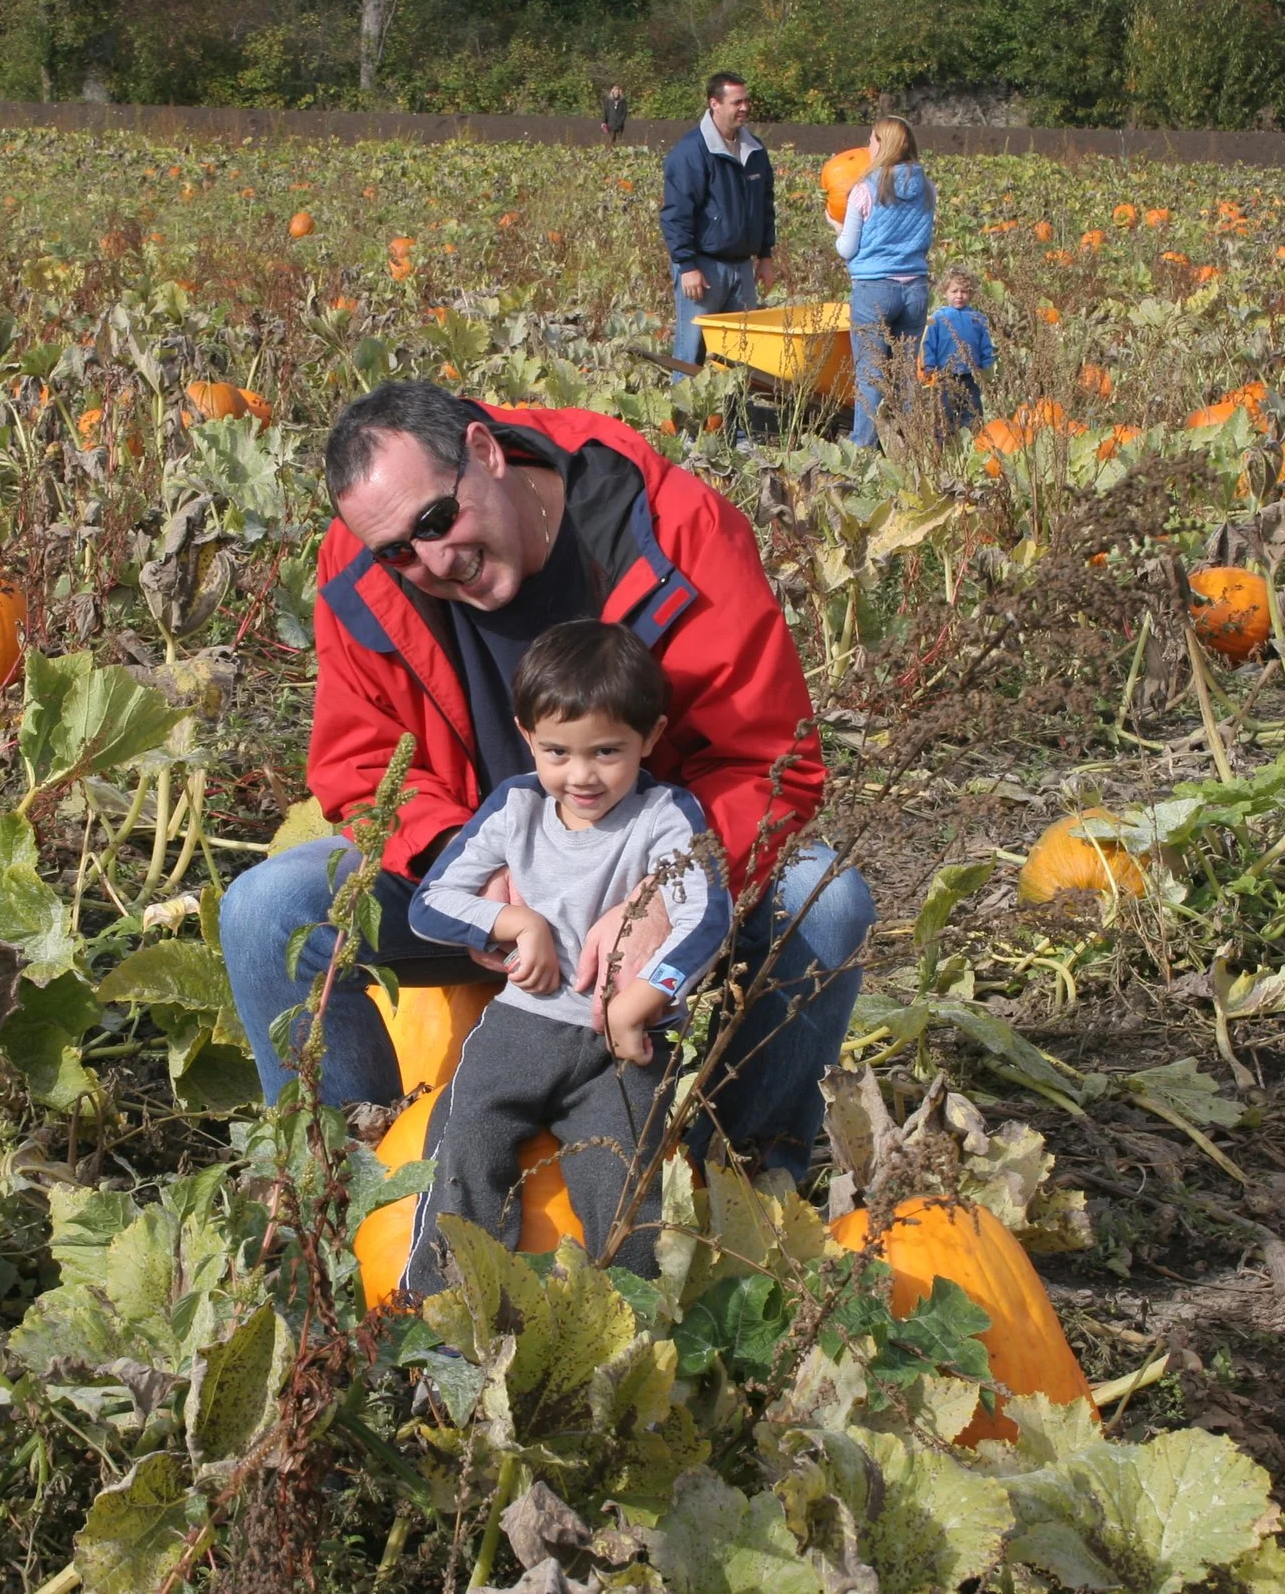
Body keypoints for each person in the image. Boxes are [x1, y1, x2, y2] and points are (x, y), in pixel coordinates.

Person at [220, 380, 874, 1175]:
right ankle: (347, 1190)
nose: (431, 561)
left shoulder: (669, 530)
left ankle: (734, 1182)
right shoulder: (362, 567)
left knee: (827, 901)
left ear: (486, 453)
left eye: (437, 521)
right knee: (264, 912)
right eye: (398, 550)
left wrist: (666, 889)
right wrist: (466, 870)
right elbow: (363, 767)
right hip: (491, 882)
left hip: (649, 862)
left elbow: (766, 762)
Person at [400, 621, 725, 1293]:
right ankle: (448, 1319)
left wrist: (646, 995)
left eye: (607, 751)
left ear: (651, 738)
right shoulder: (515, 809)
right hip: (523, 1025)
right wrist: (516, 922)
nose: (581, 775)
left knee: (625, 1180)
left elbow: (705, 917)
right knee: (467, 1133)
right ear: (527, 738)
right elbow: (431, 904)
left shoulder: (666, 815)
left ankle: (629, 1332)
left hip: (622, 1043)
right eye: (557, 751)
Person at [661, 72, 775, 370]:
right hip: (703, 267)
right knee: (691, 351)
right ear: (715, 104)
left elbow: (765, 206)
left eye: (746, 101)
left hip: (742, 268)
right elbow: (676, 214)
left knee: (742, 354)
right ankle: (683, 414)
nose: (744, 108)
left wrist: (765, 255)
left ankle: (733, 416)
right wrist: (687, 265)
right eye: (736, 102)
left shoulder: (755, 150)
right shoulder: (691, 152)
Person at [833, 116, 936, 448]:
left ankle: (864, 448)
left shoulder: (864, 189)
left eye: (872, 139)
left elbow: (847, 248)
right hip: (915, 289)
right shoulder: (927, 186)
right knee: (907, 372)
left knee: (871, 374)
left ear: (884, 144)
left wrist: (834, 225)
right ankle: (912, 444)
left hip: (874, 289)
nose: (868, 145)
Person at [921, 267, 996, 433]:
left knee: (974, 414)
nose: (959, 296)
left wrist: (986, 363)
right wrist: (928, 365)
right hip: (945, 375)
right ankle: (943, 447)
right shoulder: (938, 318)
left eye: (964, 291)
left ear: (971, 293)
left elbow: (985, 343)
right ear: (944, 292)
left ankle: (974, 443)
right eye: (954, 291)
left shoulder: (978, 318)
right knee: (944, 415)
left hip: (971, 375)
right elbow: (928, 344)